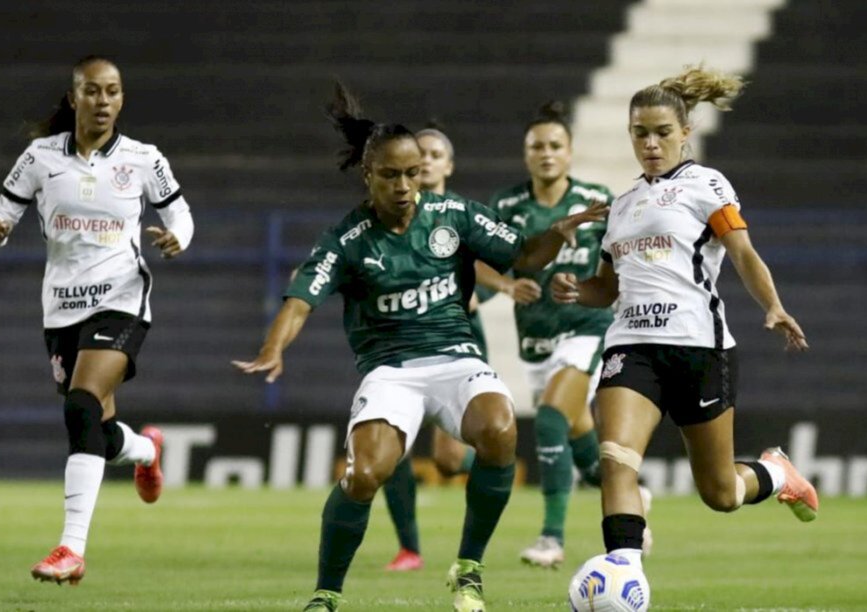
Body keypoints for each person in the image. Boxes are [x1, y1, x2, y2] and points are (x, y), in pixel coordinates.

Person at [233, 82, 605, 612]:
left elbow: (522, 257)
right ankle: (326, 594)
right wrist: (274, 347)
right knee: (364, 475)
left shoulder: (453, 215)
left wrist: (558, 233)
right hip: (390, 371)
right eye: (391, 174)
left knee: (500, 431)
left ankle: (469, 569)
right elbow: (300, 299)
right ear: (368, 175)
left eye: (412, 173)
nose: (406, 185)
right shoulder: (348, 239)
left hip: (456, 359)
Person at [550, 66, 818, 573]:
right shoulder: (621, 204)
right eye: (640, 133)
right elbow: (605, 289)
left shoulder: (706, 184)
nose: (651, 143)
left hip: (698, 346)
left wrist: (773, 305)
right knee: (616, 459)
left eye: (662, 132)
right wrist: (574, 290)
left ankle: (777, 473)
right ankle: (624, 577)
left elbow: (741, 252)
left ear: (685, 133)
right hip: (630, 345)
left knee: (720, 493)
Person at [0, 55, 193, 585]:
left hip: (121, 297)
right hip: (61, 307)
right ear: (74, 97)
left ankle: (71, 548)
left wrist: (176, 239)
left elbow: (179, 214)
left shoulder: (143, 159)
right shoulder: (40, 157)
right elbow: (5, 211)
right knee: (94, 427)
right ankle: (145, 448)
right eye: (93, 91)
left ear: (122, 99)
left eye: (113, 92)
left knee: (79, 404)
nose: (103, 102)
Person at [477, 101, 651, 568]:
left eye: (556, 145)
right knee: (581, 442)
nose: (546, 153)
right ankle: (637, 500)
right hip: (535, 338)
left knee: (551, 417)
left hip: (587, 329)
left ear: (570, 152)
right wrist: (498, 287)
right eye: (537, 146)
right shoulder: (506, 206)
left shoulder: (594, 202)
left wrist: (592, 290)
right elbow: (488, 268)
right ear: (526, 153)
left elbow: (619, 265)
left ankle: (551, 538)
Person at [380, 124, 480, 572]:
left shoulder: (461, 214)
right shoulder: (391, 214)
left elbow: (498, 266)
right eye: (420, 154)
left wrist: (483, 291)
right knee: (390, 447)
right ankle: (410, 548)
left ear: (448, 165)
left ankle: (500, 457)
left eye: (436, 153)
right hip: (401, 344)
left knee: (448, 457)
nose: (428, 160)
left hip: (456, 344)